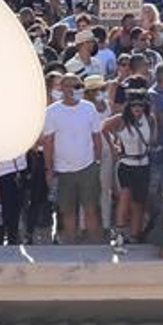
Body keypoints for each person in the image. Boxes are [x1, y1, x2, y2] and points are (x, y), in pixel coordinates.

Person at [41, 74, 103, 244]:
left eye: (76, 86)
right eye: (67, 86)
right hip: (63, 170)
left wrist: (97, 162)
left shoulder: (89, 108)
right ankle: (71, 246)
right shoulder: (52, 111)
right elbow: (48, 142)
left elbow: (97, 137)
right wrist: (49, 169)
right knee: (68, 211)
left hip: (87, 167)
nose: (71, 90)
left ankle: (94, 246)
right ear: (61, 88)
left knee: (91, 209)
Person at [102, 91, 153, 245]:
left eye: (141, 105)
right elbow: (103, 128)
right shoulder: (121, 120)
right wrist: (113, 146)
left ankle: (134, 234)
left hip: (143, 164)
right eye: (134, 105)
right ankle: (119, 232)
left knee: (139, 202)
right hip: (126, 164)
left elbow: (153, 138)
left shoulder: (149, 119)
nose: (137, 108)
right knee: (124, 197)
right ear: (128, 106)